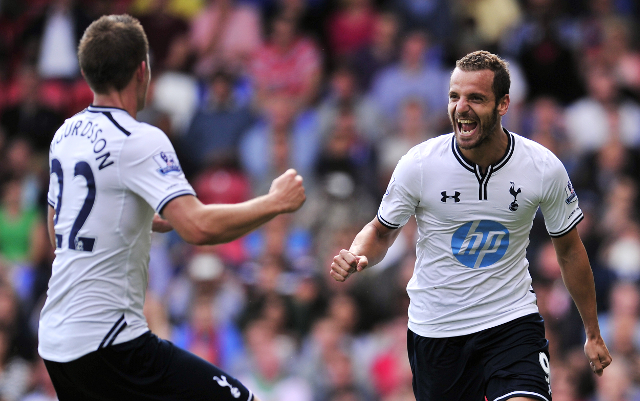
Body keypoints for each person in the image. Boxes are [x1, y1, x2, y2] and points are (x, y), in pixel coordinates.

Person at [38, 14, 306, 401]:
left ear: (86, 71)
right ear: (143, 70)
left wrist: (133, 220)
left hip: (57, 341)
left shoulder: (65, 135)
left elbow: (57, 231)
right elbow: (198, 228)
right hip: (109, 341)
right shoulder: (140, 139)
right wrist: (274, 203)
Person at [330, 50, 612, 401]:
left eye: (475, 98)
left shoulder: (542, 167)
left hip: (511, 322)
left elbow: (570, 251)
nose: (460, 108)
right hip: (437, 331)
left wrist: (593, 332)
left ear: (503, 104)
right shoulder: (418, 164)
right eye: (454, 96)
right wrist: (358, 254)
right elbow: (380, 231)